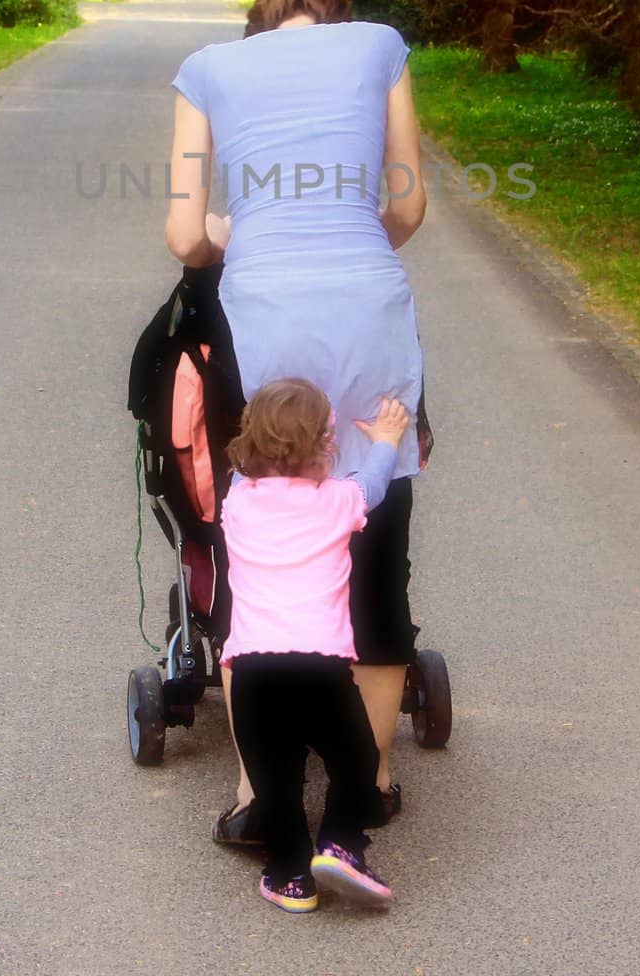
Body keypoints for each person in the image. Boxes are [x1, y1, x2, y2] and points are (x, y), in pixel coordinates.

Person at [165, 0, 428, 844]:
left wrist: (236, 236)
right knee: (374, 522)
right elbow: (407, 206)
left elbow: (184, 237)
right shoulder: (379, 45)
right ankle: (375, 782)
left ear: (257, 33)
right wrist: (351, 235)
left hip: (265, 310)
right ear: (336, 25)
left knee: (269, 516)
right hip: (365, 304)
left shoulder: (208, 68)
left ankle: (254, 790)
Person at [222, 377, 409, 913]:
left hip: (254, 671)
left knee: (275, 780)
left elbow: (244, 471)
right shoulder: (338, 501)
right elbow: (374, 483)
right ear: (327, 446)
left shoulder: (238, 501)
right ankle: (340, 845)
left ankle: (289, 876)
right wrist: (386, 438)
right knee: (355, 761)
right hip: (320, 667)